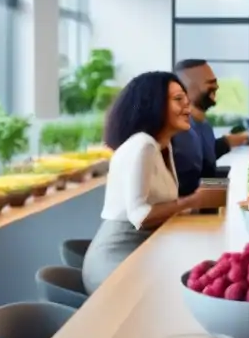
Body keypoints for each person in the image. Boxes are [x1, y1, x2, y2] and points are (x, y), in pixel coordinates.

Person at [82, 71, 209, 294]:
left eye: (186, 100)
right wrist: (192, 201)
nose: (188, 107)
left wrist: (196, 204)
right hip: (114, 261)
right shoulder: (143, 146)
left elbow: (162, 203)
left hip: (143, 251)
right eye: (178, 99)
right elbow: (140, 216)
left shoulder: (163, 146)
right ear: (155, 104)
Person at [171, 59, 249, 197]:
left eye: (215, 81)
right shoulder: (181, 131)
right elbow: (190, 187)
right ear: (187, 88)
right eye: (210, 83)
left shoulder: (204, 124)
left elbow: (207, 163)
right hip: (191, 211)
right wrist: (236, 185)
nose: (217, 87)